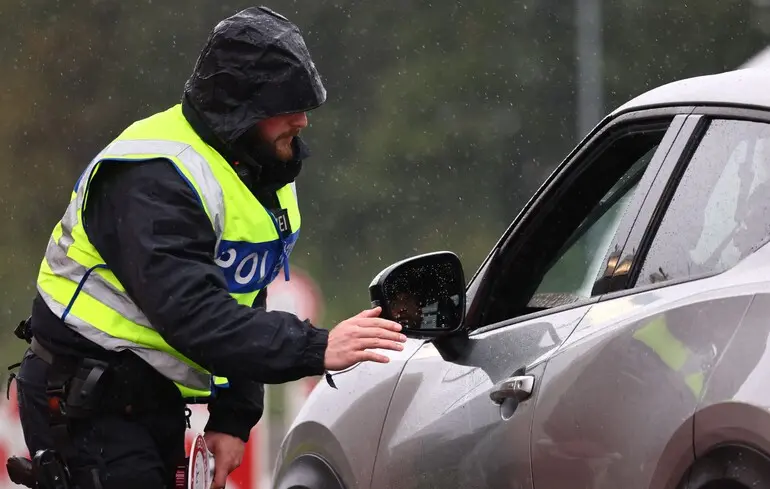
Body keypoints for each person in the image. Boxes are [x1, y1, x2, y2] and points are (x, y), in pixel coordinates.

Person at [8, 6, 406, 489]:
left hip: (147, 399)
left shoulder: (258, 163)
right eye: (287, 106)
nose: (302, 121)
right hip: (82, 398)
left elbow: (242, 291)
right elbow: (194, 313)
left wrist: (234, 416)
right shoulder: (153, 175)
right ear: (238, 110)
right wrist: (318, 346)